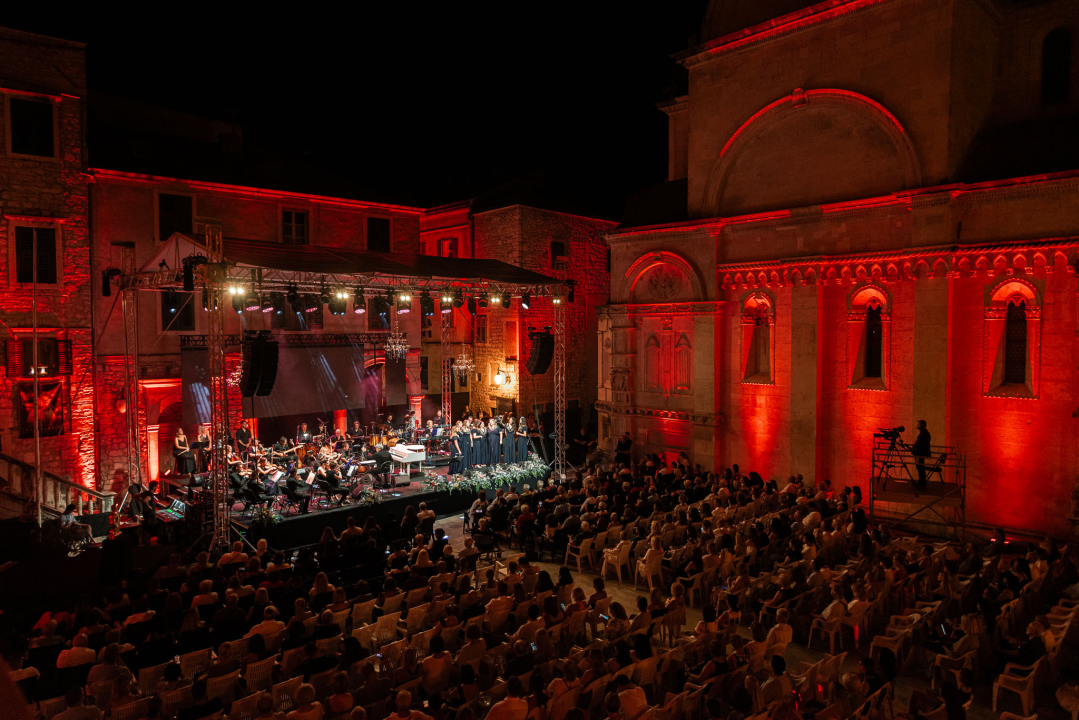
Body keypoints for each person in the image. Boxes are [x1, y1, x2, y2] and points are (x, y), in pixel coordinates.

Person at [912, 420, 931, 490]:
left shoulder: (924, 434)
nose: (917, 425)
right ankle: (921, 482)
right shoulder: (924, 433)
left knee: (920, 467)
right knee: (920, 467)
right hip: (920, 453)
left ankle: (922, 483)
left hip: (920, 453)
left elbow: (920, 444)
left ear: (922, 425)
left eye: (918, 424)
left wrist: (914, 449)